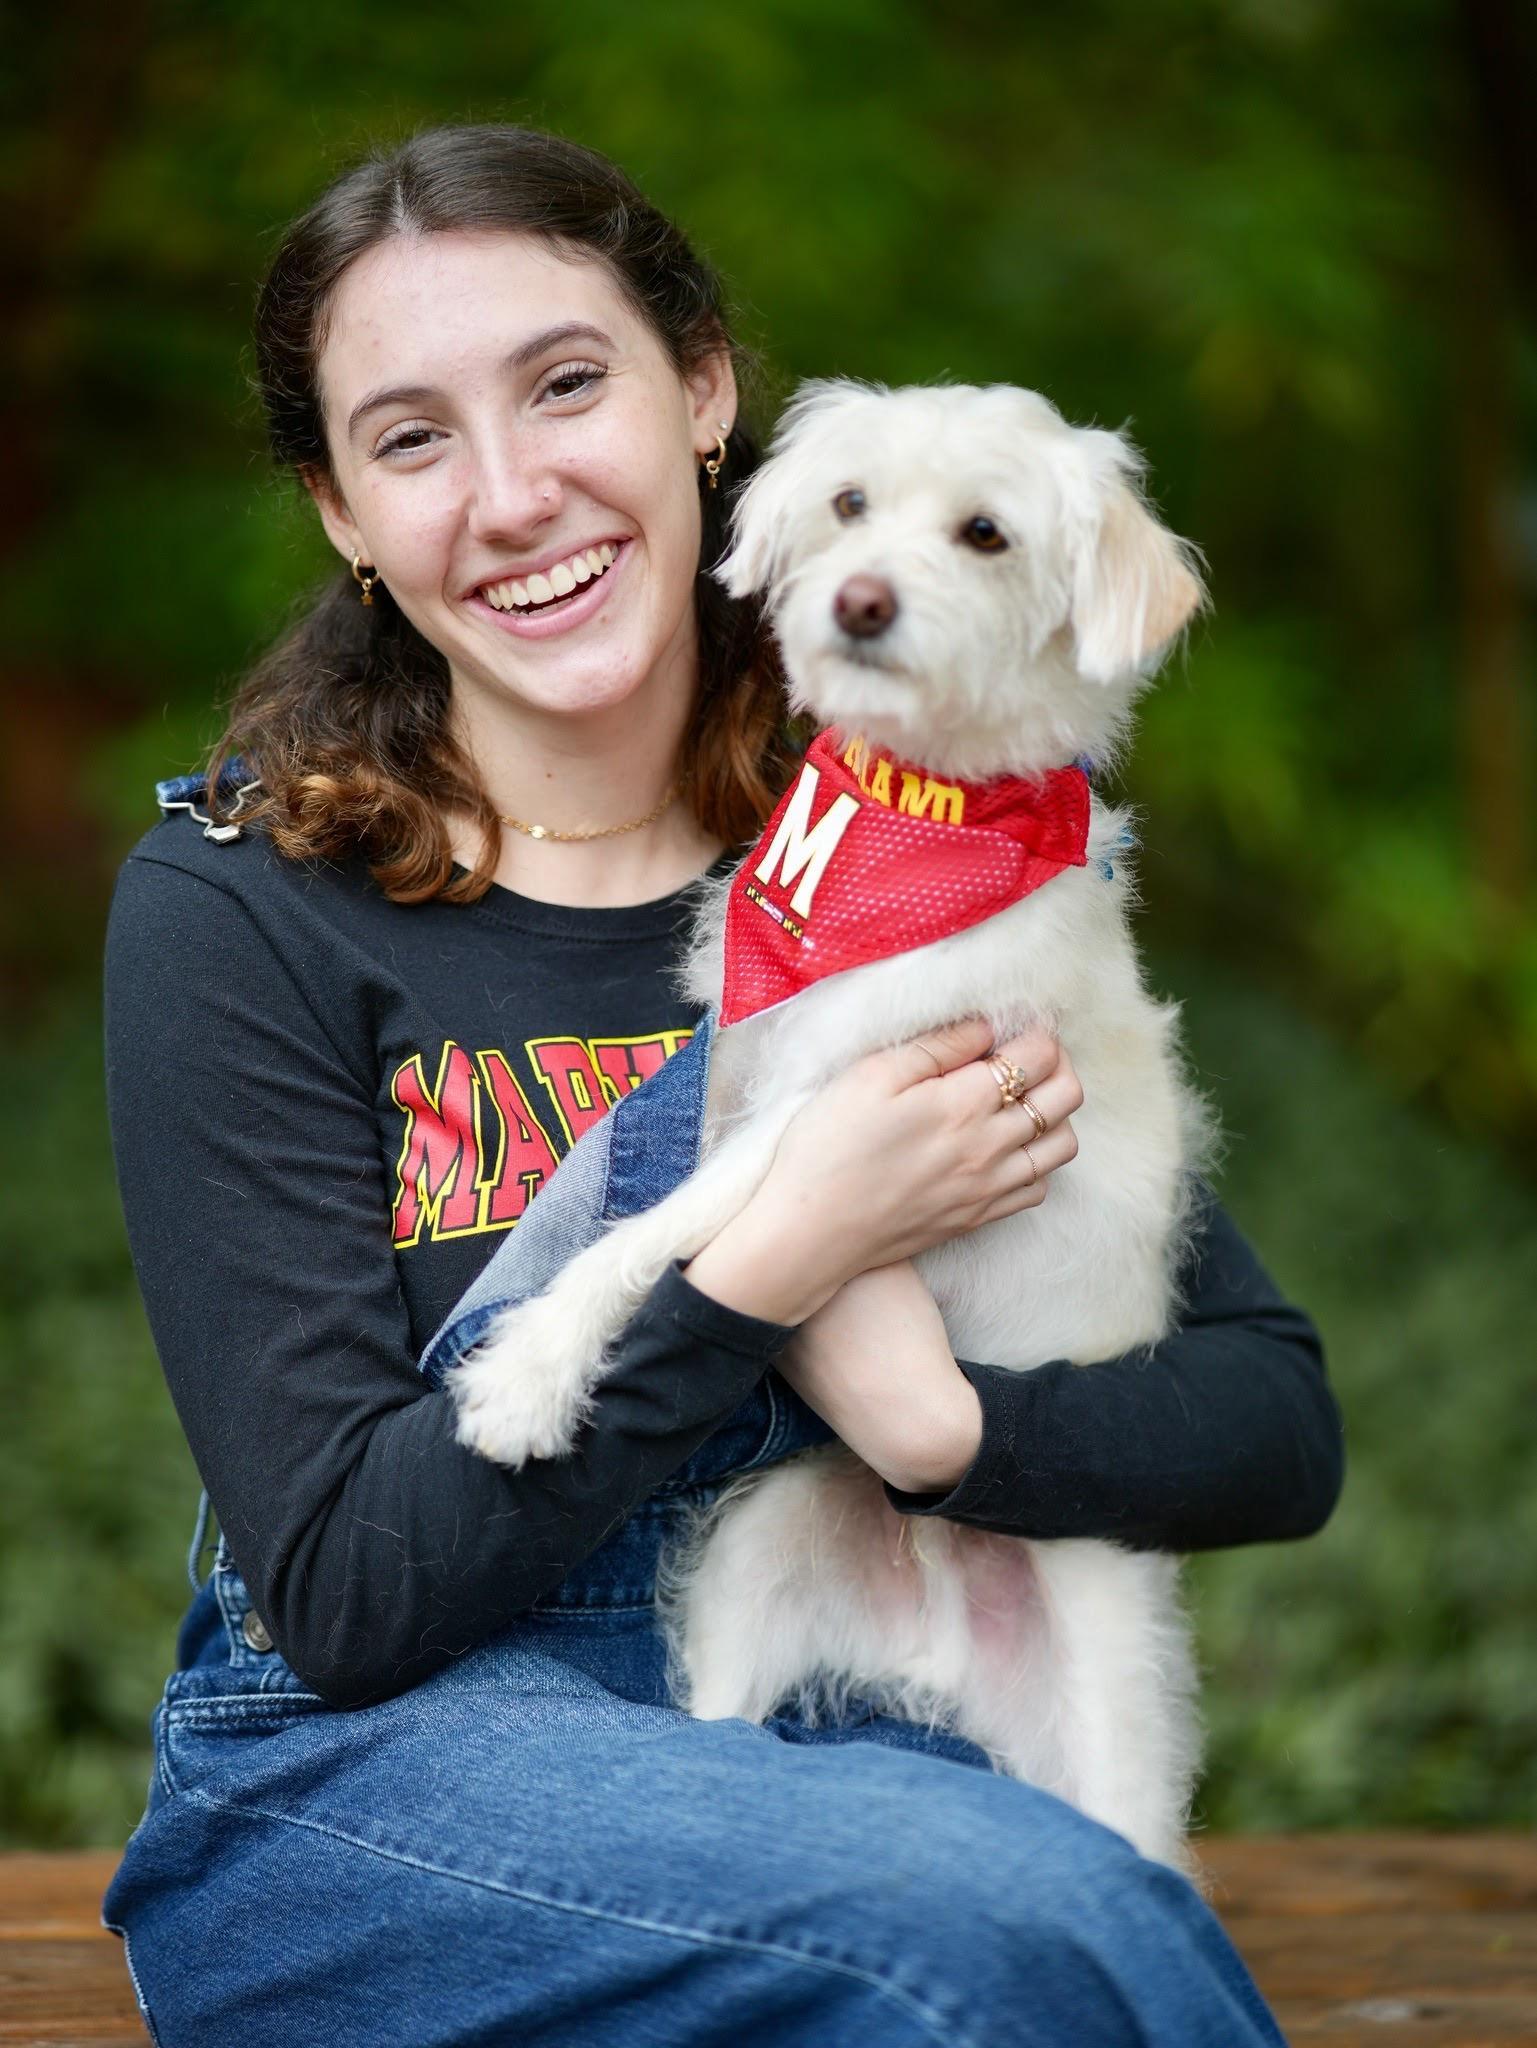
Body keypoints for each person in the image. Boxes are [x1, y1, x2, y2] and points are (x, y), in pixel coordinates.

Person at [100, 121, 1342, 2046]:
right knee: (1006, 1926)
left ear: (702, 396)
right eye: (411, 437)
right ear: (343, 510)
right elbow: (344, 1590)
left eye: (566, 385)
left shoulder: (896, 867)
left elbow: (1269, 1417)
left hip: (820, 1711)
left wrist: (951, 1437)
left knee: (1029, 1917)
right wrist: (777, 1260)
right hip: (382, 1773)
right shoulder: (242, 911)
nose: (511, 494)